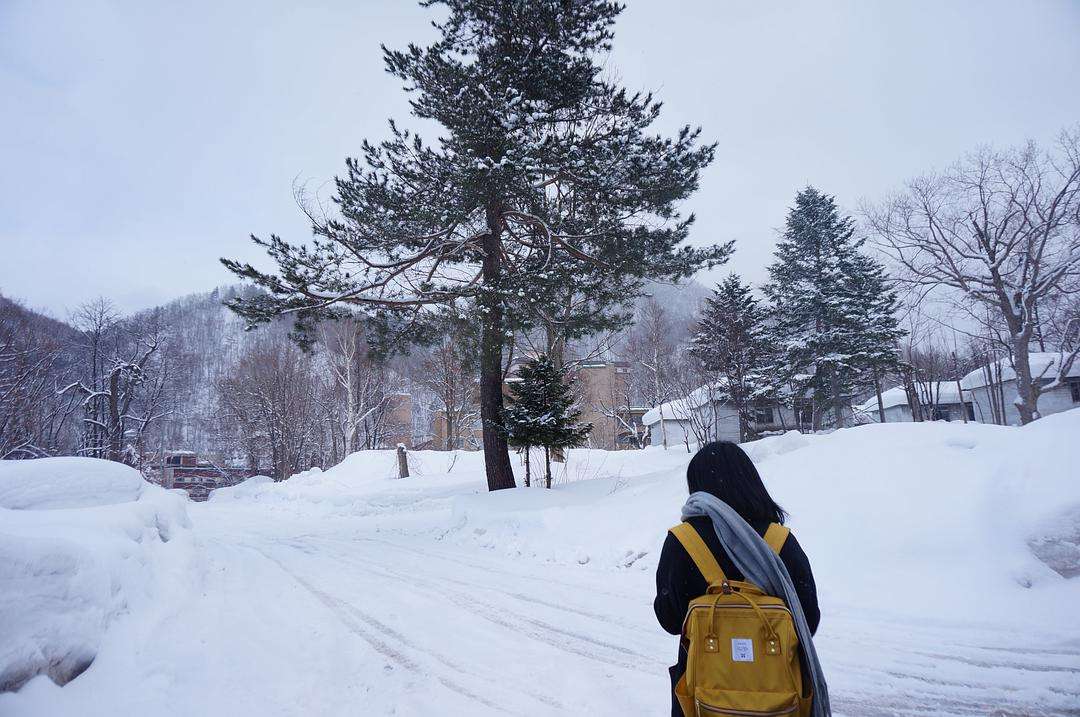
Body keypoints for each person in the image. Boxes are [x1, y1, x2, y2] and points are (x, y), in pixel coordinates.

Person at [654, 441, 821, 717]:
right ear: (750, 482)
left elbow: (670, 620)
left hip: (703, 699)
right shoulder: (779, 541)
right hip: (780, 700)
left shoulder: (684, 540)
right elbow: (808, 620)